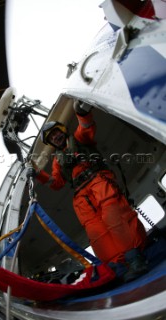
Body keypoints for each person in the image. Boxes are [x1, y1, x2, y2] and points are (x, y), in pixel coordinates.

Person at [29, 100, 148, 282]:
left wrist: (81, 112)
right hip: (81, 196)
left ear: (62, 131)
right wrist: (38, 174)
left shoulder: (77, 138)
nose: (55, 137)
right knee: (96, 232)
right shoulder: (56, 161)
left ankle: (135, 259)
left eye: (56, 133)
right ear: (50, 142)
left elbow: (86, 128)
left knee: (113, 217)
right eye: (51, 137)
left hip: (99, 182)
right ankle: (119, 266)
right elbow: (56, 182)